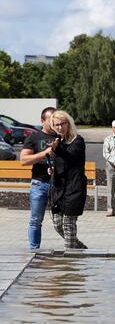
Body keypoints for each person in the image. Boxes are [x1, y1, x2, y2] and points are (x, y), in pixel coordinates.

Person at [49, 110, 88, 249]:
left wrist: (57, 149)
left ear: (68, 123)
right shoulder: (59, 141)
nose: (60, 127)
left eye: (62, 124)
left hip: (74, 188)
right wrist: (53, 169)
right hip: (59, 189)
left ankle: (69, 260)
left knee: (68, 224)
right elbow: (61, 163)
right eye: (56, 124)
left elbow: (70, 158)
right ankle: (79, 248)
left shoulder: (77, 140)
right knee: (58, 224)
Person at [20, 106, 57, 250]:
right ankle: (34, 250)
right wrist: (45, 153)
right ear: (42, 121)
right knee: (36, 220)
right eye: (51, 120)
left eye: (56, 119)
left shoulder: (62, 136)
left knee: (64, 220)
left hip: (59, 184)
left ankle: (71, 249)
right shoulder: (34, 137)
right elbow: (24, 160)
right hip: (40, 183)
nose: (54, 123)